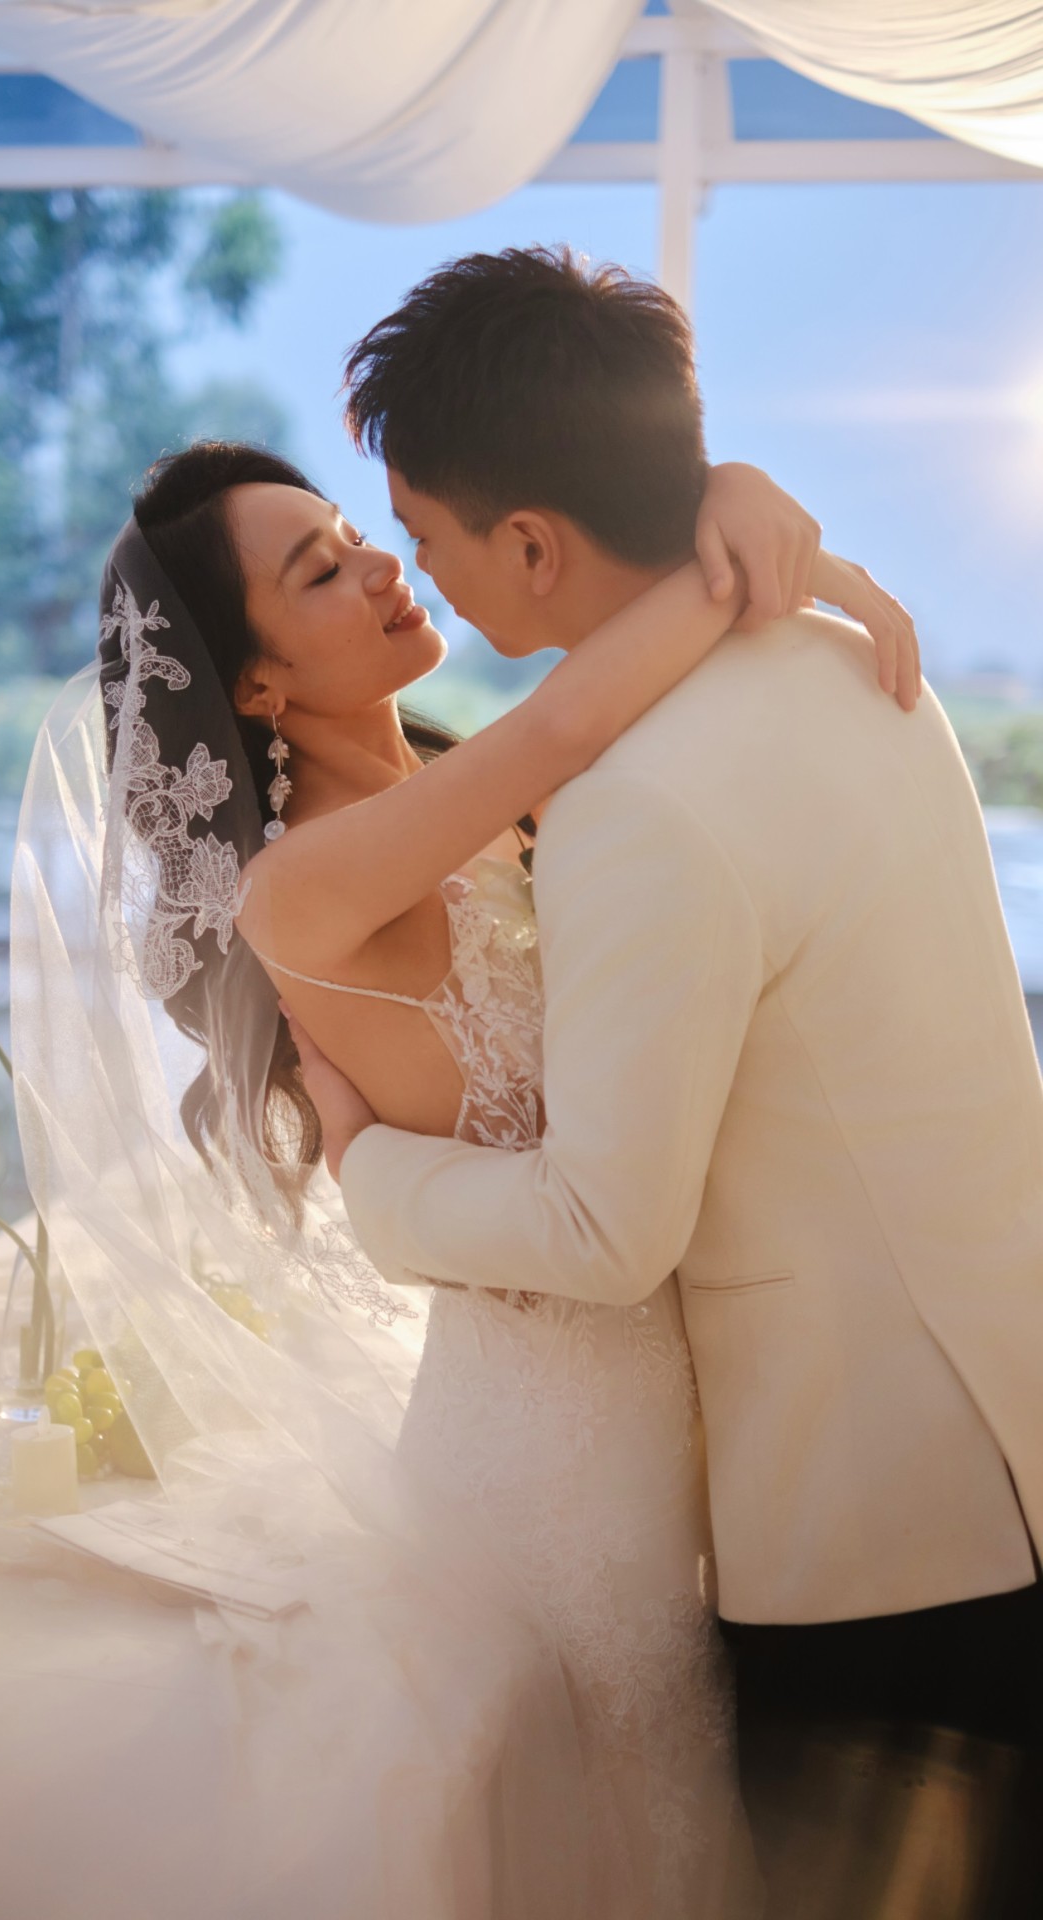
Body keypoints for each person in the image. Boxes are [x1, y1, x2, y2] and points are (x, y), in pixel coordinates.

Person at [278, 248, 1043, 1913]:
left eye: (422, 534)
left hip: (870, 1540)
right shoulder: (858, 657)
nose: (420, 574)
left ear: (531, 543)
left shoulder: (638, 807)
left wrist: (363, 1172)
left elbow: (605, 1229)